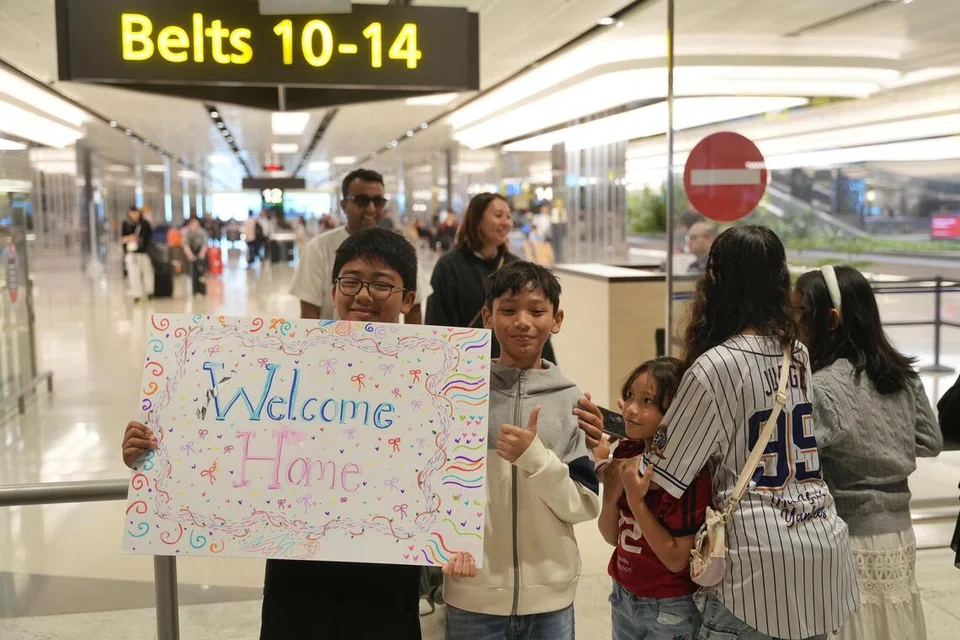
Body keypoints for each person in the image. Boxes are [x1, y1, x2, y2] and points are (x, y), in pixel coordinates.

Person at [121, 228, 424, 639]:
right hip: (296, 576)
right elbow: (219, 441)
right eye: (351, 281)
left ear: (408, 298)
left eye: (381, 284)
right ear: (333, 290)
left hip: (385, 578)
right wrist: (151, 453)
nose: (364, 295)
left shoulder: (426, 378)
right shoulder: (283, 362)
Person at [647, 226, 858, 640]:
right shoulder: (796, 353)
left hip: (755, 567)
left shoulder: (713, 367)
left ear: (715, 281)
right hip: (822, 545)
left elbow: (662, 470)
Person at [442, 261, 599, 640]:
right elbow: (433, 481)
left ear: (556, 320)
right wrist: (443, 542)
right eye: (509, 310)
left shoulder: (571, 401)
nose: (522, 322)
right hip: (472, 593)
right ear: (488, 317)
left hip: (550, 598)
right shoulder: (459, 392)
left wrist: (535, 459)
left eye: (537, 310)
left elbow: (583, 504)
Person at [794, 265, 942, 640]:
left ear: (830, 320)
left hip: (847, 533)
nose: (792, 325)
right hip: (900, 533)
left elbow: (800, 458)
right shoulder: (902, 375)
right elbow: (930, 440)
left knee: (854, 624)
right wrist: (886, 445)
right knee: (894, 621)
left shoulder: (820, 386)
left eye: (798, 313)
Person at [596, 357, 710, 640]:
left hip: (671, 606)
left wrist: (636, 502)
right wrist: (610, 498)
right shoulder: (627, 451)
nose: (630, 409)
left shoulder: (689, 472)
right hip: (622, 594)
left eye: (647, 401)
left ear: (677, 411)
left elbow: (676, 560)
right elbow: (612, 537)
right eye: (629, 396)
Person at [426, 193, 556, 363]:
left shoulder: (515, 267)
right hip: (462, 366)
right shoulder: (449, 267)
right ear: (477, 220)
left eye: (508, 217)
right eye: (498, 215)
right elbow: (436, 324)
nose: (506, 222)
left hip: (509, 366)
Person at [289, 168, 428, 323]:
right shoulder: (318, 248)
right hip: (332, 337)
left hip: (387, 337)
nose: (371, 208)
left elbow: (414, 309)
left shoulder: (401, 248)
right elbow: (309, 312)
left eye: (378, 201)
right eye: (361, 201)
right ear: (344, 205)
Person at [120, 206, 154, 302]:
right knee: (133, 274)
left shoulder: (144, 224)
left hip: (144, 252)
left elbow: (149, 237)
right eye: (132, 213)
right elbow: (122, 239)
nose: (134, 215)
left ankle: (149, 292)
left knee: (147, 273)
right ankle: (137, 294)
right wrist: (130, 238)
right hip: (131, 253)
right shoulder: (126, 224)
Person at [183, 216, 209, 297]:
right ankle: (195, 291)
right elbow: (186, 245)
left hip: (201, 252)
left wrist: (201, 255)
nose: (195, 227)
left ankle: (202, 291)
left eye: (197, 225)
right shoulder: (187, 233)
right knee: (193, 273)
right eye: (193, 225)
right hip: (192, 252)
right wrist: (190, 255)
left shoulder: (202, 232)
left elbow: (205, 245)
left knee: (201, 273)